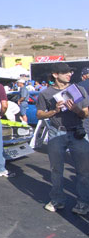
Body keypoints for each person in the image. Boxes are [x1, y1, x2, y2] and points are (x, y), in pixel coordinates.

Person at [36, 63, 89, 215]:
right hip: (56, 132)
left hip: (77, 132)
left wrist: (76, 109)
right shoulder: (45, 93)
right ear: (55, 74)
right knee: (56, 169)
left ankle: (83, 203)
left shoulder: (79, 89)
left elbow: (86, 113)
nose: (69, 74)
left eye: (70, 72)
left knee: (84, 171)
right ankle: (57, 200)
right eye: (65, 72)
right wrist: (54, 111)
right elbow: (39, 114)